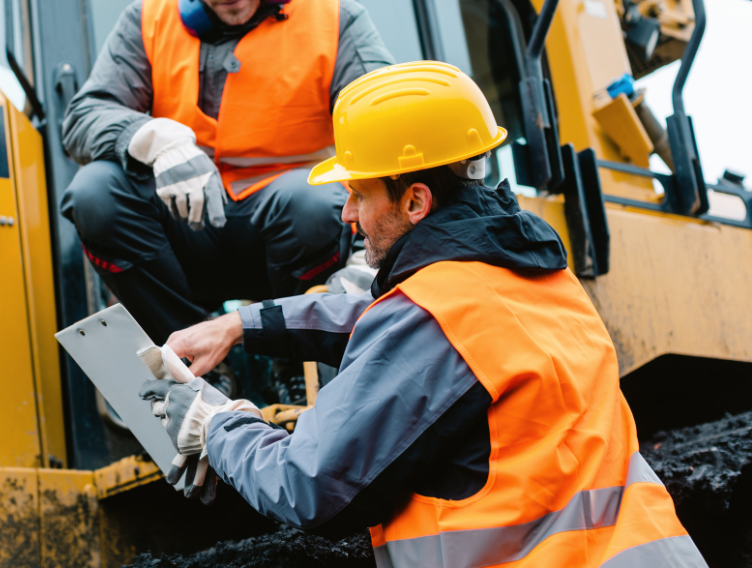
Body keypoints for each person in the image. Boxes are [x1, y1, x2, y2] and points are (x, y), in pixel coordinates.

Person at [141, 61, 705, 567]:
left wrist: (218, 426)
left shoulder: (436, 316)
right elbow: (386, 317)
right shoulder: (535, 278)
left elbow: (307, 487)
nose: (347, 214)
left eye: (359, 194)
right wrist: (241, 325)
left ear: (415, 201)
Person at [61, 0, 392, 347]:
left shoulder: (335, 17)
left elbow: (388, 127)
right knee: (94, 193)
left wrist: (372, 255)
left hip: (298, 240)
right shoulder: (148, 17)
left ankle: (294, 355)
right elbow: (84, 118)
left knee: (312, 201)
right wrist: (151, 138)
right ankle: (191, 357)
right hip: (182, 237)